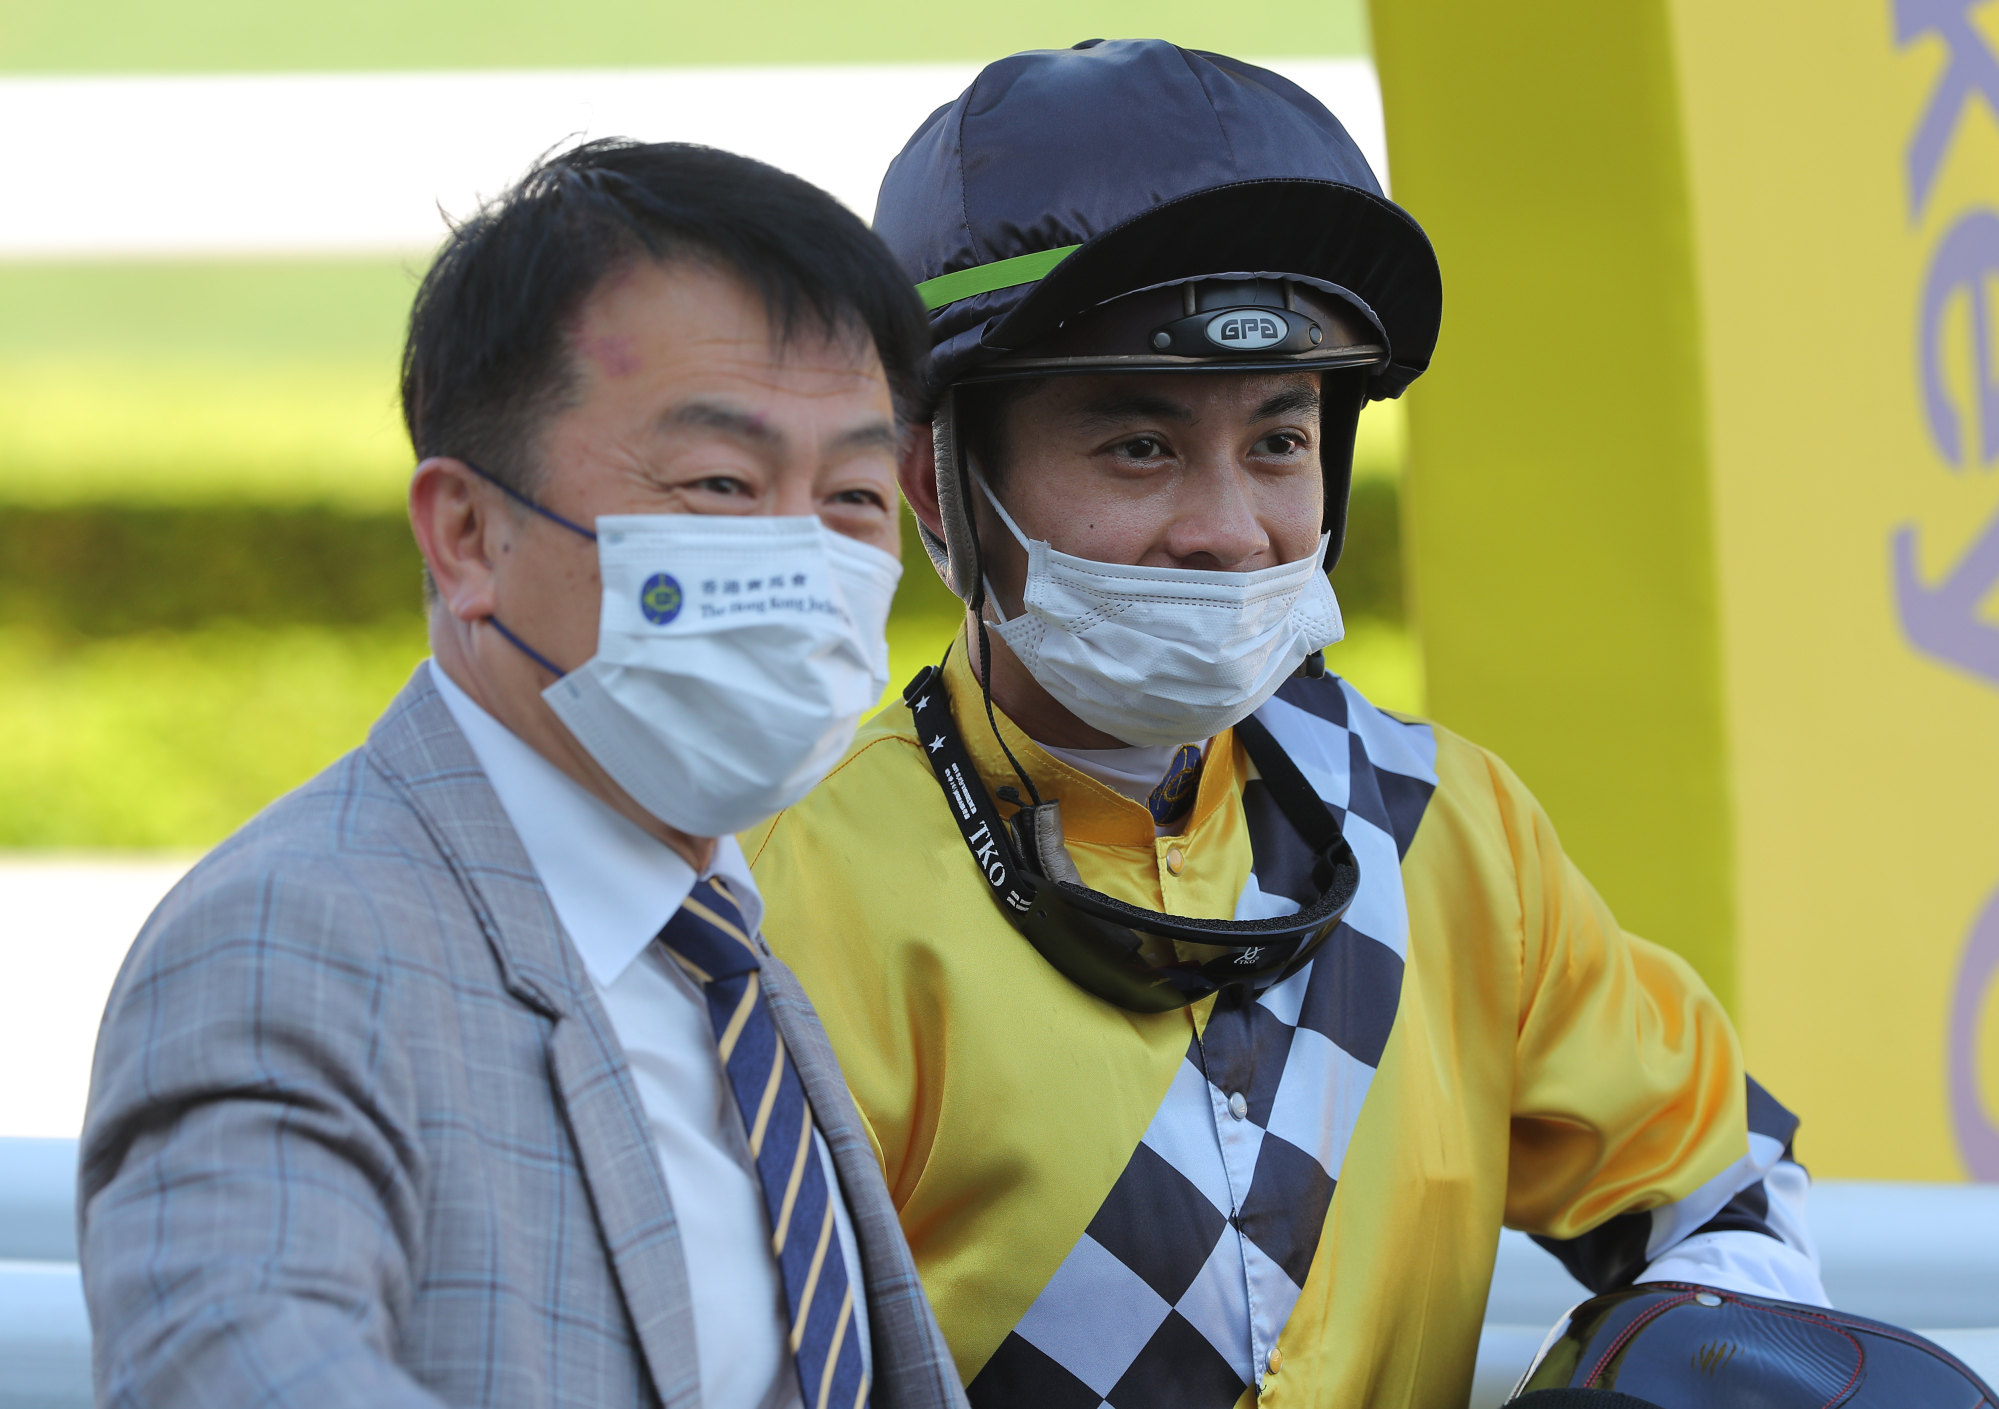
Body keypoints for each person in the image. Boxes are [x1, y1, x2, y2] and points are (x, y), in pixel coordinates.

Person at [742, 41, 1837, 1407]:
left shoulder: (1453, 832)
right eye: (1135, 445)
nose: (1226, 529)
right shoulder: (786, 892)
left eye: (1274, 441)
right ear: (931, 476)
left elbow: (1718, 1193)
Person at [78, 140, 965, 1409]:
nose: (801, 560)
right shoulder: (292, 941)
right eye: (720, 483)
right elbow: (236, 1358)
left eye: (853, 497)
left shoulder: (721, 933)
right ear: (468, 534)